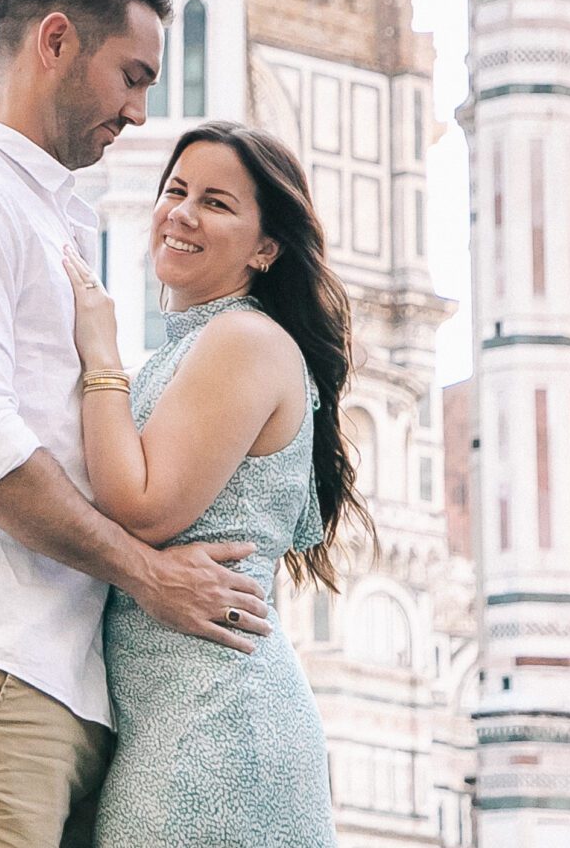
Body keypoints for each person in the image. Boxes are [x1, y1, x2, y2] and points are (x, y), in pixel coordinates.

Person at [0, 0, 272, 848]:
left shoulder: (49, 217)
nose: (138, 110)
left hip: (50, 680)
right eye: (131, 75)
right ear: (54, 42)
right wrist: (150, 577)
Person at [67, 120, 370, 846]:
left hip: (215, 731)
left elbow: (139, 508)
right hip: (172, 722)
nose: (182, 212)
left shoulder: (244, 339)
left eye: (216, 202)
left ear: (267, 248)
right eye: (174, 190)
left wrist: (99, 352)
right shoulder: (197, 349)